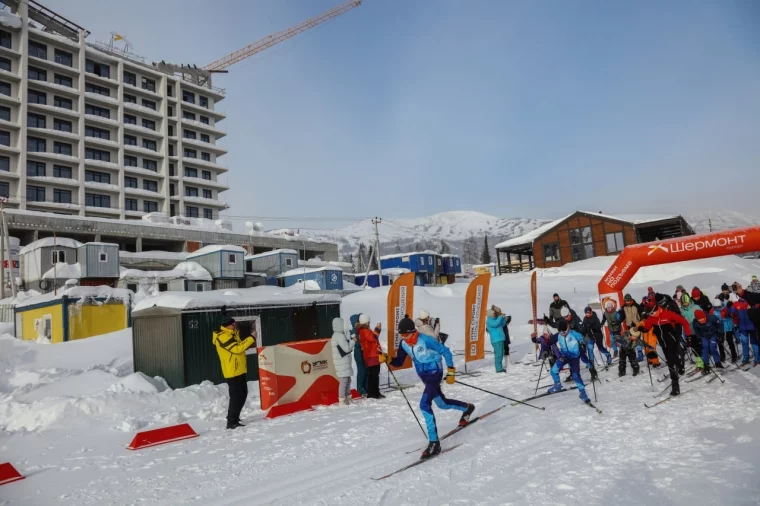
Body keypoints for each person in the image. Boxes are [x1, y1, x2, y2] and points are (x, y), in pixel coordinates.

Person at [385, 316, 474, 459]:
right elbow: (399, 362)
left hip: (434, 373)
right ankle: (467, 408)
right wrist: (388, 359)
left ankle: (434, 443)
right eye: (401, 335)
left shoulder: (425, 340)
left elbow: (445, 351)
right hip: (424, 376)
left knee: (424, 405)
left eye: (405, 334)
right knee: (442, 404)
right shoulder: (404, 344)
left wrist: (451, 371)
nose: (404, 337)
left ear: (412, 331)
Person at [638, 294, 693, 396]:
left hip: (672, 340)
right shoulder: (651, 317)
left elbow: (684, 322)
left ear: (656, 309)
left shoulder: (667, 314)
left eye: (652, 312)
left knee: (671, 362)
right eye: (650, 313)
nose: (651, 315)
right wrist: (643, 329)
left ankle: (675, 386)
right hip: (663, 343)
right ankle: (680, 364)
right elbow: (648, 326)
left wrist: (689, 335)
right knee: (672, 360)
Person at [212, 316, 256, 429]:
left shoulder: (232, 334)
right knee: (236, 396)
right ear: (227, 325)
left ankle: (235, 417)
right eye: (233, 324)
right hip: (232, 371)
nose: (235, 326)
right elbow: (237, 349)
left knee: (243, 394)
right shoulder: (222, 337)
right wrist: (251, 338)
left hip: (239, 369)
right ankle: (231, 422)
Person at [546, 320, 593, 404]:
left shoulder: (573, 333)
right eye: (560, 332)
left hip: (574, 358)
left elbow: (583, 339)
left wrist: (587, 341)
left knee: (576, 376)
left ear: (567, 329)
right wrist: (543, 347)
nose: (562, 333)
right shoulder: (558, 335)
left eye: (564, 331)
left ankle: (583, 393)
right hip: (564, 356)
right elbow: (549, 342)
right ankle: (557, 385)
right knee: (553, 371)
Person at [358, 314, 385, 399]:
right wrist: (377, 329)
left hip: (370, 356)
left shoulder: (363, 331)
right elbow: (374, 338)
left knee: (372, 375)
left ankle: (373, 392)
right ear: (366, 322)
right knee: (374, 375)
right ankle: (374, 393)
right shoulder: (365, 331)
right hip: (372, 356)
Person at [727, 292, 757, 365]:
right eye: (739, 295)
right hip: (743, 327)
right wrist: (729, 306)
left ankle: (757, 357)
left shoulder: (751, 302)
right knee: (744, 342)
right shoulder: (736, 304)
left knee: (754, 342)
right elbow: (730, 312)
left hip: (752, 326)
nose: (741, 297)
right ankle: (746, 357)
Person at [331, 317, 355, 405]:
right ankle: (342, 399)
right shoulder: (339, 336)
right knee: (344, 380)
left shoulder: (337, 335)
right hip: (342, 362)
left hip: (343, 361)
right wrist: (353, 342)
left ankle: (347, 397)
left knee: (347, 379)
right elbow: (347, 348)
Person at [679, 293, 705, 370]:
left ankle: (705, 361)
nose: (685, 304)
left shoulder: (696, 307)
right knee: (694, 348)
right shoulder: (681, 310)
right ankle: (700, 363)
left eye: (686, 302)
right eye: (683, 303)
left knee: (701, 346)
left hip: (699, 330)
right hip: (689, 332)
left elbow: (703, 315)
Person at [712, 297, 738, 363]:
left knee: (730, 341)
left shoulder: (726, 307)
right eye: (716, 307)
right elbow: (712, 319)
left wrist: (728, 315)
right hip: (720, 328)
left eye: (719, 306)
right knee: (720, 342)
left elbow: (732, 313)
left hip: (728, 326)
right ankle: (722, 356)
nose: (718, 308)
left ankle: (734, 355)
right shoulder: (713, 311)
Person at [621, 294, 645, 361]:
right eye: (626, 301)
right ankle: (635, 355)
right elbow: (623, 316)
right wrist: (619, 319)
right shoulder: (624, 307)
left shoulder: (636, 306)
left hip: (636, 326)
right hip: (629, 326)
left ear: (631, 300)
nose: (627, 302)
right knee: (632, 341)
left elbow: (642, 314)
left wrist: (640, 322)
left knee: (636, 340)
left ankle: (640, 355)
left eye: (629, 301)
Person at [349, 314, 368, 397]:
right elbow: (357, 342)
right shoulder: (353, 331)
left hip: (363, 351)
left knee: (366, 370)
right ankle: (361, 389)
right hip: (358, 352)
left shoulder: (360, 329)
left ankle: (366, 388)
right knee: (361, 371)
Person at [486, 308, 507, 373]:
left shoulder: (495, 320)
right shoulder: (489, 321)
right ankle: (498, 369)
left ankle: (500, 368)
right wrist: (500, 317)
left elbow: (502, 324)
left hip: (500, 339)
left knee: (501, 354)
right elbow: (495, 324)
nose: (494, 315)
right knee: (498, 354)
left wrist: (504, 318)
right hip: (496, 340)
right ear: (490, 314)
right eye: (493, 314)